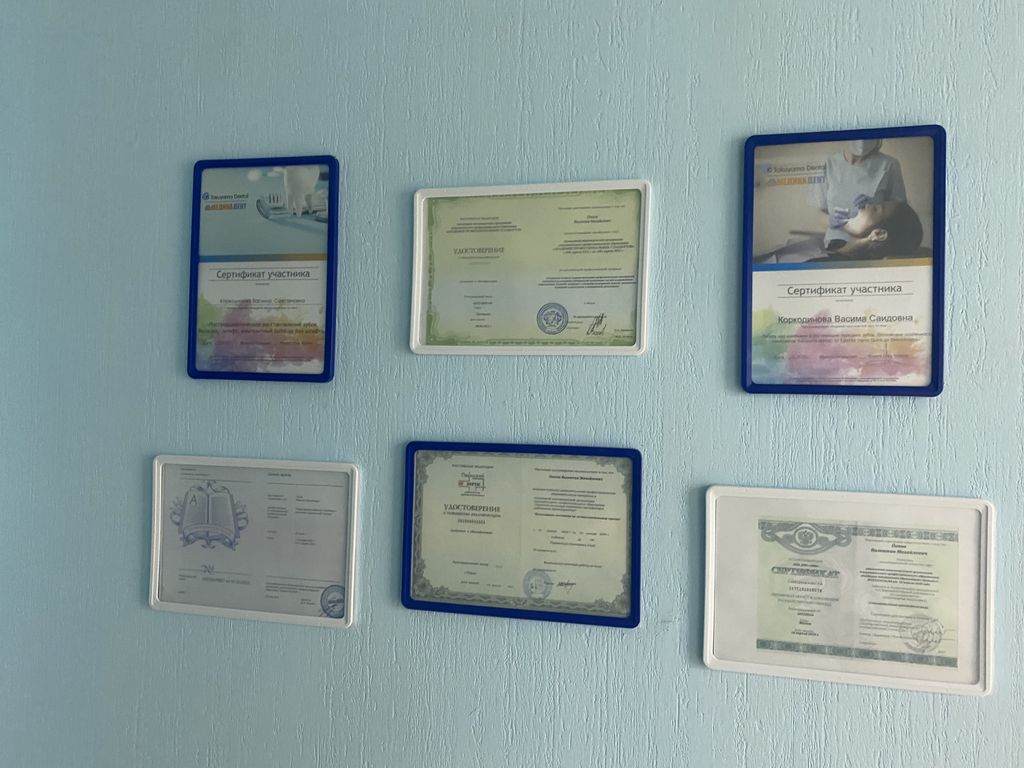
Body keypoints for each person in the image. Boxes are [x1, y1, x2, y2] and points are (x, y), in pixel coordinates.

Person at [812, 139, 907, 249]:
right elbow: (820, 213)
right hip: (836, 241)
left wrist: (876, 205)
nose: (862, 141)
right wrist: (831, 221)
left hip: (873, 242)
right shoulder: (828, 163)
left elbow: (901, 213)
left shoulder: (889, 164)